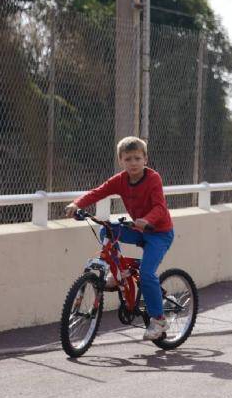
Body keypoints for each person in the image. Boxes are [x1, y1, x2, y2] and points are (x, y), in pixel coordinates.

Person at [64, 137, 175, 341]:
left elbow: (160, 207)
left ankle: (159, 320)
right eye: (127, 159)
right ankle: (118, 274)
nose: (133, 163)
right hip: (137, 228)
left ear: (145, 159)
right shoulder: (120, 180)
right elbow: (99, 192)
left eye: (137, 158)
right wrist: (77, 204)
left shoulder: (153, 179)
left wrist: (146, 220)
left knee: (147, 273)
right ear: (120, 161)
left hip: (159, 232)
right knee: (107, 230)